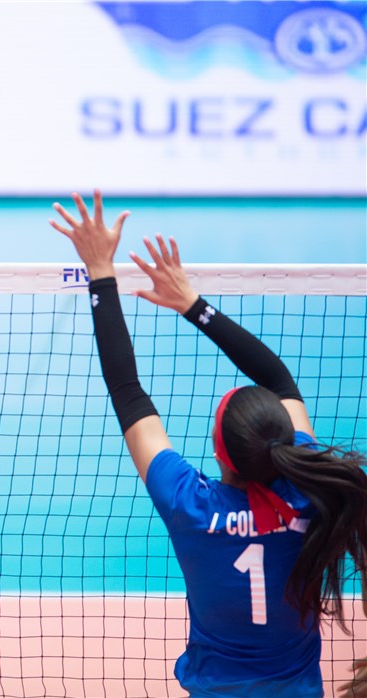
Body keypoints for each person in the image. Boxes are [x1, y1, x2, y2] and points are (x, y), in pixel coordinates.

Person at [49, 190, 367, 697]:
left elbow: (127, 391)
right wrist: (194, 306)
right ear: (288, 441)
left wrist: (100, 273)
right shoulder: (311, 496)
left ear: (221, 454)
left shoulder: (189, 504)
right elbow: (279, 379)